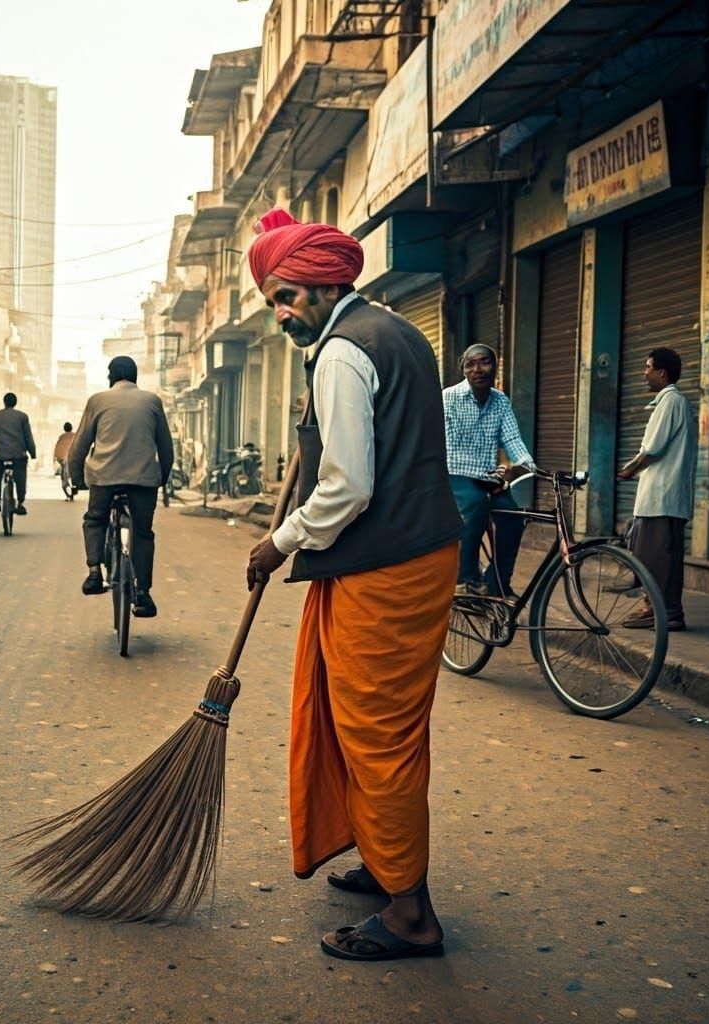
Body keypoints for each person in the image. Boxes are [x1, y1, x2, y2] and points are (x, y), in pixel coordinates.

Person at [244, 209, 463, 962]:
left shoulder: (342, 353)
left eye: (287, 295)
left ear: (323, 282)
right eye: (273, 298)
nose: (280, 312)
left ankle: (410, 915)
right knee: (374, 727)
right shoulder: (396, 331)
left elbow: (345, 486)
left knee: (377, 735)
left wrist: (278, 542)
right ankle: (383, 858)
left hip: (387, 565)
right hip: (412, 554)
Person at [68, 356, 172, 616]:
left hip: (104, 478)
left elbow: (78, 447)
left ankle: (94, 573)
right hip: (143, 480)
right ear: (135, 377)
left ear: (110, 377)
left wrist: (77, 479)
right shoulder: (152, 401)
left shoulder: (97, 400)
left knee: (94, 519)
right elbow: (166, 448)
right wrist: (162, 478)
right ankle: (143, 593)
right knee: (143, 533)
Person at [443, 344, 536, 598]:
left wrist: (528, 466)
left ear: (495, 367)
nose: (478, 369)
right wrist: (488, 477)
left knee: (513, 518)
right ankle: (464, 579)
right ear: (463, 370)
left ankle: (497, 583)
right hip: (456, 473)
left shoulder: (500, 401)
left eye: (484, 362)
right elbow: (450, 446)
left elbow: (513, 439)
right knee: (475, 505)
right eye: (470, 364)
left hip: (487, 476)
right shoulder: (448, 398)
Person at [618, 347, 697, 632]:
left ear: (662, 373)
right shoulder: (672, 402)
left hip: (662, 498)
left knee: (655, 558)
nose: (645, 373)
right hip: (663, 498)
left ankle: (660, 611)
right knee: (657, 554)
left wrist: (629, 470)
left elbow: (651, 449)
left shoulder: (671, 402)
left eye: (648, 367)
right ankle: (663, 610)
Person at [0, 393, 36, 515]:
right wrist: (32, 452)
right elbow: (28, 437)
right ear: (15, 403)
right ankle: (20, 503)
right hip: (19, 455)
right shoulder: (23, 417)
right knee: (20, 477)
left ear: (4, 402)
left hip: (0, 455)